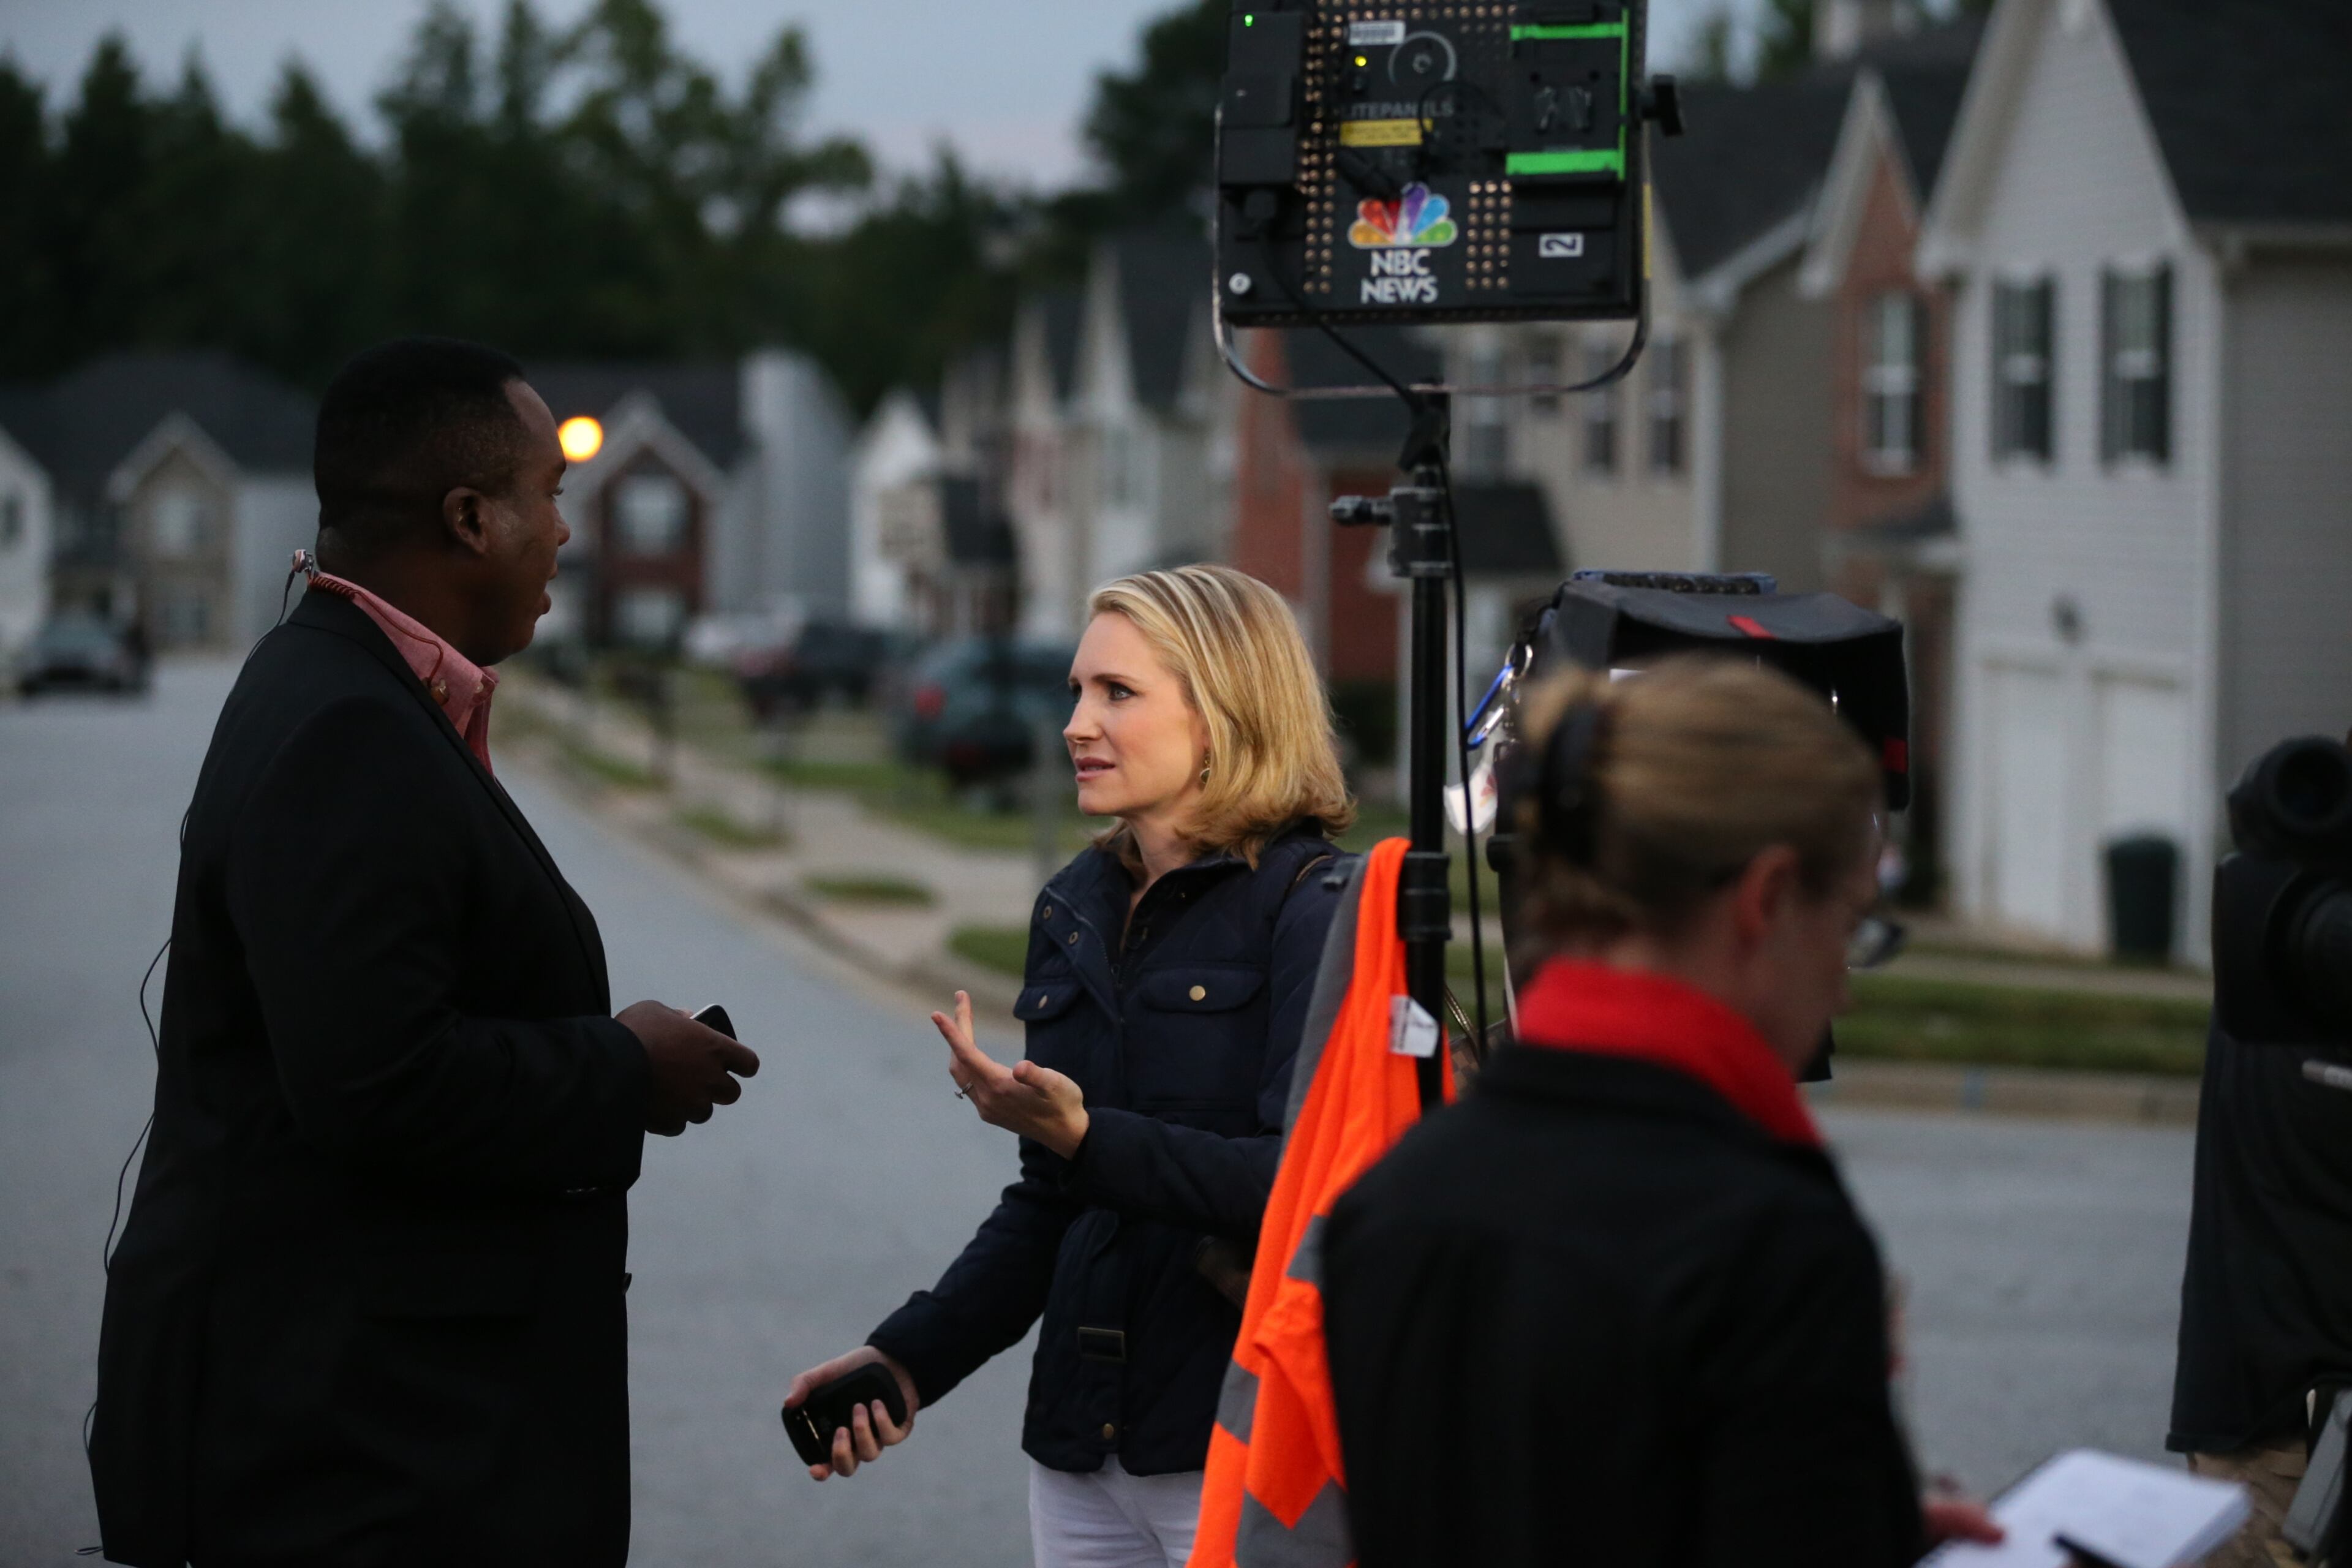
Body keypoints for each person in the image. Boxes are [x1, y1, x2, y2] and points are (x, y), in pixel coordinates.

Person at [87, 337, 760, 1567]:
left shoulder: (353, 691)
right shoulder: (346, 727)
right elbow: (374, 1083)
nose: (567, 532)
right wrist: (622, 1067)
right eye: (548, 497)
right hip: (364, 1455)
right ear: (469, 517)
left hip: (381, 1430)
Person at [1319, 657, 2002, 1568]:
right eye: (1850, 926)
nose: (1843, 986)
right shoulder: (1767, 1242)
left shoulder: (1394, 1197)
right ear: (1764, 900)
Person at [785, 565, 1354, 1568]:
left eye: (1118, 694)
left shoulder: (1316, 909)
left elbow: (1309, 1195)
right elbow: (1051, 1205)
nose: (1076, 724)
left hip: (1239, 1446)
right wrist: (909, 1359)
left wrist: (1087, 1138)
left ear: (1223, 712)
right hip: (1082, 1456)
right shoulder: (1077, 903)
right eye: (1078, 692)